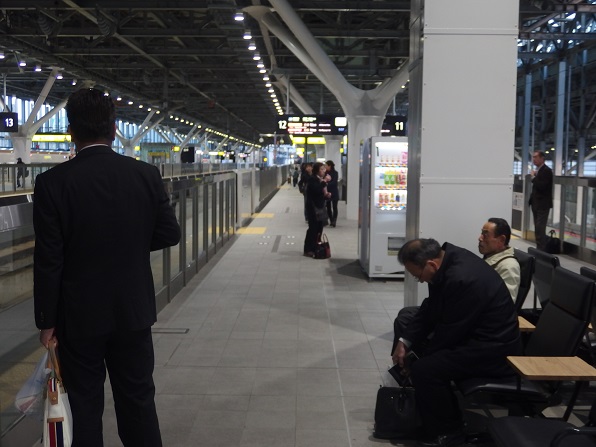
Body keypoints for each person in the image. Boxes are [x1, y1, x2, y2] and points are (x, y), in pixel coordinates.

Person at [34, 88, 181, 447]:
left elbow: (49, 259)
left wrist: (46, 321)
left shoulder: (52, 183)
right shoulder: (146, 174)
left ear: (71, 131)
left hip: (78, 315)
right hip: (133, 309)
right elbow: (170, 233)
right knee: (138, 400)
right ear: (114, 129)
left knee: (84, 406)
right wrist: (129, 245)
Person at [394, 239, 522, 447]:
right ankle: (431, 421)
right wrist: (405, 341)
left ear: (431, 264)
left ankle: (450, 433)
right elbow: (431, 308)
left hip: (494, 349)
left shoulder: (462, 278)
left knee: (425, 369)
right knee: (413, 337)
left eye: (418, 276)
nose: (421, 281)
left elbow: (451, 332)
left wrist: (420, 358)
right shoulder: (448, 261)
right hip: (476, 337)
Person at [392, 217, 520, 355]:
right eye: (481, 233)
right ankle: (404, 358)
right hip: (464, 316)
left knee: (426, 360)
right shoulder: (459, 261)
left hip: (485, 334)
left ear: (501, 239)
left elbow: (505, 304)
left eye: (485, 234)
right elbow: (433, 303)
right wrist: (405, 340)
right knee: (406, 317)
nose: (480, 238)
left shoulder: (507, 266)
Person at [303, 162, 331, 257]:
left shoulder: (320, 180)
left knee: (319, 228)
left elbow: (320, 193)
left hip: (319, 207)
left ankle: (316, 246)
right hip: (313, 208)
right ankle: (308, 249)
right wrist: (324, 181)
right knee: (313, 229)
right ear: (317, 171)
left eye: (324, 169)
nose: (324, 171)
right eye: (322, 169)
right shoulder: (312, 179)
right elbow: (316, 190)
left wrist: (327, 195)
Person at [529, 150, 553, 251]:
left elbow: (542, 186)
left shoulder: (546, 171)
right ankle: (539, 249)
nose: (534, 159)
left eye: (536, 157)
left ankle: (541, 250)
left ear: (542, 158)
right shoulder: (539, 170)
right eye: (533, 157)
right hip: (536, 204)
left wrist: (533, 177)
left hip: (543, 205)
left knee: (540, 228)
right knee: (537, 228)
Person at [324, 160, 339, 227]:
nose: (325, 167)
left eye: (326, 165)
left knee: (335, 206)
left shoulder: (335, 173)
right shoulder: (325, 173)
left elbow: (334, 182)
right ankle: (331, 220)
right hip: (327, 192)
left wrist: (327, 184)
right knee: (328, 207)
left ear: (330, 166)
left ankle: (334, 220)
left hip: (334, 191)